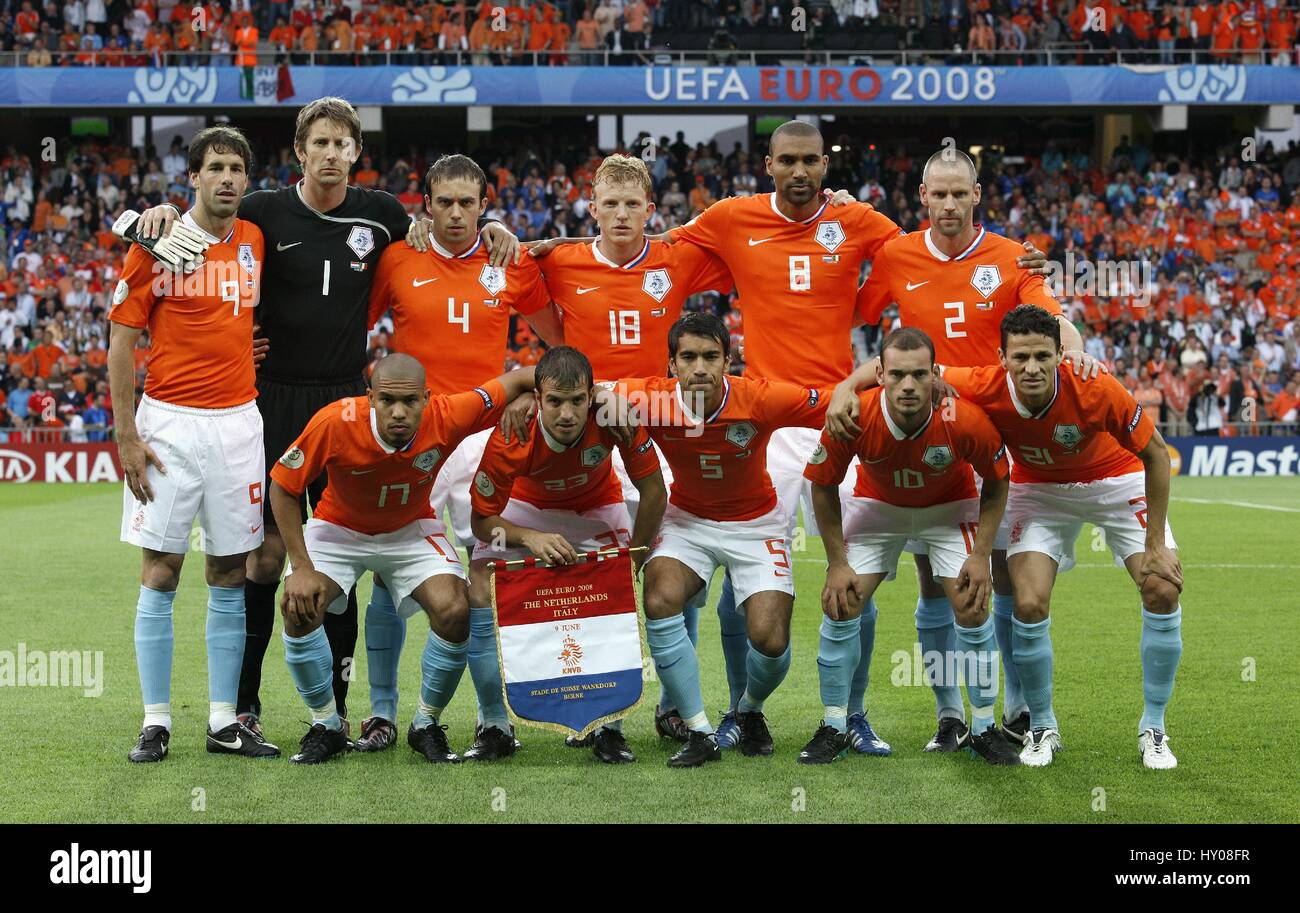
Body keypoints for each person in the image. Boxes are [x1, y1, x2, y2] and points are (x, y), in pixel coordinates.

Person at [132, 97, 521, 741]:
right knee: (264, 555)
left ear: (356, 154)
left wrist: (498, 226)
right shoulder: (262, 209)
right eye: (320, 143)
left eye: (343, 144)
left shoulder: (384, 215)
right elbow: (207, 224)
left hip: (347, 401)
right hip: (273, 399)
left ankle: (339, 713)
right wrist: (163, 213)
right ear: (300, 151)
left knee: (348, 543)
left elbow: (453, 233)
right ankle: (244, 707)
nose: (332, 154)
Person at [664, 121, 1050, 755]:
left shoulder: (862, 222)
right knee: (741, 569)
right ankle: (741, 711)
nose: (798, 171)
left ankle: (854, 713)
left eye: (810, 161)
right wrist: (530, 244)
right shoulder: (732, 217)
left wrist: (1021, 260)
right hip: (762, 421)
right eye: (787, 160)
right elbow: (643, 246)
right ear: (768, 164)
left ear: (825, 165)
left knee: (856, 575)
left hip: (839, 419)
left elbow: (929, 252)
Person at [849, 147, 1097, 752]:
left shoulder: (1013, 257)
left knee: (1003, 578)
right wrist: (845, 382)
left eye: (962, 193)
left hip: (994, 437)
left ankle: (1017, 706)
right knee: (934, 584)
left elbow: (1049, 318)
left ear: (978, 194)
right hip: (925, 428)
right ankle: (949, 713)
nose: (951, 204)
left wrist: (1079, 346)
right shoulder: (896, 255)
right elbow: (849, 309)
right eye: (940, 194)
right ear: (924, 197)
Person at [355, 153, 559, 752]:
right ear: (426, 206)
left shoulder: (508, 259)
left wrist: (536, 396)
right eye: (443, 202)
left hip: (484, 442)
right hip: (409, 437)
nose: (455, 214)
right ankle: (383, 715)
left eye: (467, 203)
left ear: (484, 205)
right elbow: (352, 332)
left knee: (486, 574)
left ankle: (494, 719)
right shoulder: (397, 258)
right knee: (389, 575)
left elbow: (561, 340)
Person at [611, 312, 873, 767]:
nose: (700, 368)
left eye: (711, 356)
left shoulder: (761, 398)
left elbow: (839, 400)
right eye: (688, 357)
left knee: (770, 641)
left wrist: (852, 385)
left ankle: (748, 710)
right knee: (660, 597)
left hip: (757, 525)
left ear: (728, 360)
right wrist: (524, 401)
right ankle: (699, 732)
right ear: (670, 364)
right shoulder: (645, 398)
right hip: (688, 521)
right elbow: (578, 393)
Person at [939, 305, 1183, 770]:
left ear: (1060, 356)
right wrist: (852, 387)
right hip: (1038, 491)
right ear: (1002, 358)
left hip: (1116, 481)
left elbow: (1155, 454)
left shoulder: (1095, 387)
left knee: (1162, 588)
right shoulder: (983, 384)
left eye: (1043, 357)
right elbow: (909, 368)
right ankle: (1043, 725)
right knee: (1028, 603)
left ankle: (1154, 726)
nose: (1032, 367)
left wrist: (1155, 546)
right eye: (1021, 357)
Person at [267, 353, 539, 763]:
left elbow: (521, 376)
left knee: (454, 608)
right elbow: (282, 487)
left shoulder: (450, 414)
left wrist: (535, 394)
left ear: (427, 399)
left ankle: (425, 723)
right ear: (369, 397)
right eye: (387, 401)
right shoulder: (334, 421)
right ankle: (325, 724)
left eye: (410, 401)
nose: (399, 412)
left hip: (410, 530)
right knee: (297, 605)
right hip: (338, 530)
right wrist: (302, 567)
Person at [108, 126, 277, 763]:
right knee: (161, 570)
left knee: (230, 571)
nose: (228, 179)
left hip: (239, 424)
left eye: (237, 168)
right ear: (194, 179)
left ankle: (222, 720)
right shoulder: (158, 243)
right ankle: (155, 721)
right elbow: (122, 340)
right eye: (215, 168)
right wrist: (126, 433)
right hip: (169, 424)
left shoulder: (255, 239)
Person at [803, 327, 1017, 765]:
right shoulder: (856, 416)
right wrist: (836, 562)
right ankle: (833, 724)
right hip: (879, 508)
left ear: (935, 374)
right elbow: (822, 487)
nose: (908, 386)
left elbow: (997, 481)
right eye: (898, 374)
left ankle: (982, 726)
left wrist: (981, 557)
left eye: (919, 375)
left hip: (948, 509)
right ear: (878, 373)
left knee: (973, 604)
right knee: (841, 602)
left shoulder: (964, 418)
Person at [467, 346, 666, 763]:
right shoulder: (512, 431)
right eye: (555, 401)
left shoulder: (615, 415)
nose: (567, 413)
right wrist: (528, 537)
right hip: (524, 513)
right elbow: (482, 522)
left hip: (596, 510)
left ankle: (609, 727)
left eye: (577, 400)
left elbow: (654, 493)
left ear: (592, 395)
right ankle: (493, 725)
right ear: (537, 400)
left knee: (616, 593)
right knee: (479, 592)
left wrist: (635, 559)